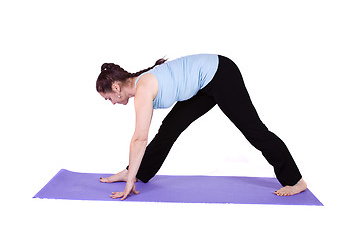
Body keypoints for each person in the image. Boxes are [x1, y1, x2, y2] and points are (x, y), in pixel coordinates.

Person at [96, 54, 307, 200]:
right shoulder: (141, 83)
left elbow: (139, 139)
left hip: (220, 74)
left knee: (253, 130)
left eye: (109, 99)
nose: (112, 103)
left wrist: (129, 183)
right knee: (169, 130)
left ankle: (295, 180)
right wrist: (130, 174)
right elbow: (140, 138)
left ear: (116, 87)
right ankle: (137, 172)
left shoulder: (142, 90)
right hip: (202, 84)